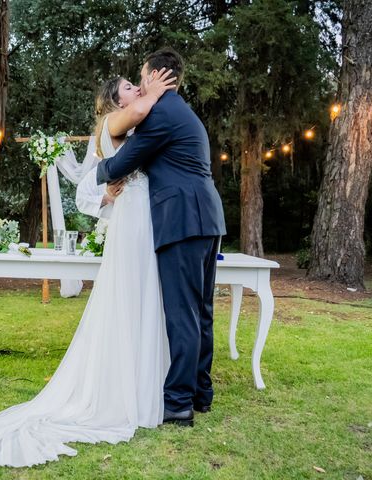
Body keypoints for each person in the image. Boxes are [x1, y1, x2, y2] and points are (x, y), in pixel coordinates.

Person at [0, 69, 177, 467]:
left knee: (145, 295)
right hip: (133, 221)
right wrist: (154, 91)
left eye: (136, 86)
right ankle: (127, 391)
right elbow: (90, 182)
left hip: (145, 218)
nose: (136, 89)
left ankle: (146, 384)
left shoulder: (132, 126)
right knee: (130, 296)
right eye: (129, 87)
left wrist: (110, 191)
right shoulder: (115, 122)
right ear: (116, 100)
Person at [96, 47, 226, 427]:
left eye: (142, 76)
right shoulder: (182, 110)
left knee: (182, 314)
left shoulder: (162, 114)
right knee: (201, 312)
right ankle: (202, 392)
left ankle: (179, 404)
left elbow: (122, 162)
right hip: (206, 218)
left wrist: (99, 166)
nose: (139, 84)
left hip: (183, 222)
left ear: (156, 75)